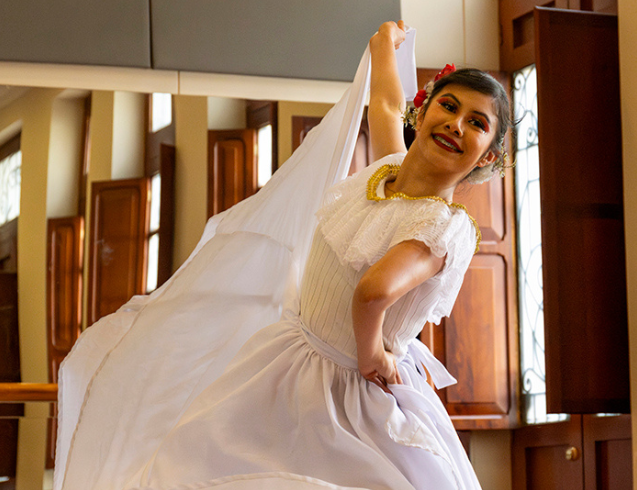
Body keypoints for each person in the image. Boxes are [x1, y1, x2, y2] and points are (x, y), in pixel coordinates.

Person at [55, 20, 512, 490]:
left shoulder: (447, 226)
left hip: (351, 394)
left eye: (477, 123)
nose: (456, 124)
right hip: (289, 360)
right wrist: (383, 45)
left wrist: (372, 353)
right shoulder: (384, 171)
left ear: (485, 158)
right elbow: (386, 104)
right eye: (449, 106)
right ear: (424, 110)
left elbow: (373, 290)